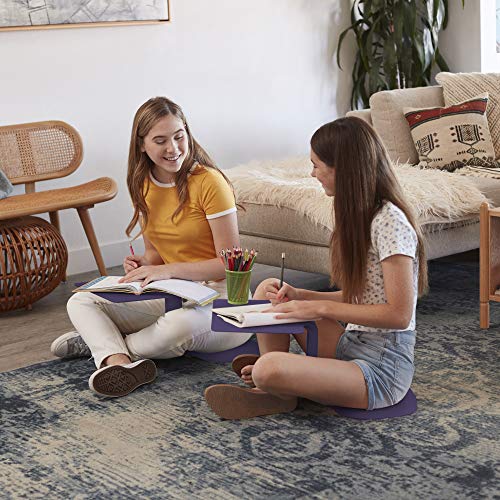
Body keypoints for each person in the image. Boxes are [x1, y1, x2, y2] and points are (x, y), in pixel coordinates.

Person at [204, 116, 428, 420]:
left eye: (316, 165)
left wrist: (319, 308)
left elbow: (399, 315)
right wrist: (301, 295)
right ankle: (278, 387)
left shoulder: (391, 223)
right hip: (350, 344)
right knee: (269, 290)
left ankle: (273, 379)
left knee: (268, 368)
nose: (313, 174)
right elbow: (364, 298)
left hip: (381, 368)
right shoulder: (360, 215)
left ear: (342, 169)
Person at [51, 97, 252, 397]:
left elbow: (228, 266)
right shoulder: (143, 183)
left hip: (224, 301)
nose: (173, 148)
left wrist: (167, 270)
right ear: (142, 145)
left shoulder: (210, 182)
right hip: (174, 293)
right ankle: (118, 361)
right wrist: (144, 264)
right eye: (160, 141)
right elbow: (155, 255)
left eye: (179, 136)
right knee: (81, 301)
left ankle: (105, 346)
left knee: (178, 326)